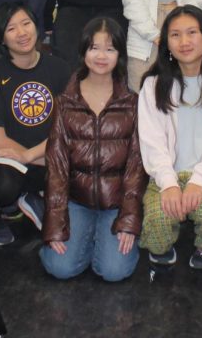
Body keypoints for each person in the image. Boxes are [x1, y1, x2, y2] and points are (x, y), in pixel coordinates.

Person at [137, 5, 202, 271]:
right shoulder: (153, 86)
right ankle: (166, 237)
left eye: (192, 33)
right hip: (167, 175)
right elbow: (152, 143)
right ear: (167, 44)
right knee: (158, 223)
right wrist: (169, 183)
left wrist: (199, 180)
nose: (184, 42)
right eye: (175, 35)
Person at [40, 18, 145, 282]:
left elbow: (136, 168)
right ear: (83, 51)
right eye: (94, 47)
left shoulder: (133, 103)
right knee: (59, 268)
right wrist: (55, 225)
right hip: (76, 201)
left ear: (120, 54)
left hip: (116, 203)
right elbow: (56, 168)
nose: (101, 56)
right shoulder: (64, 103)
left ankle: (100, 238)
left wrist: (129, 222)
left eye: (110, 49)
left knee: (114, 271)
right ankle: (89, 236)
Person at [0, 2, 71, 245]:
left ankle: (34, 196)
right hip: (14, 162)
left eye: (26, 23)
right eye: (11, 28)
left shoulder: (60, 69)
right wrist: (37, 159)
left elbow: (70, 128)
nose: (22, 33)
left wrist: (37, 157)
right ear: (1, 38)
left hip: (45, 156)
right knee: (3, 183)